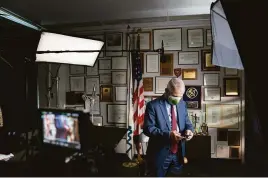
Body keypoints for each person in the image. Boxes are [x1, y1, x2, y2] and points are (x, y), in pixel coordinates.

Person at [143, 78, 194, 177]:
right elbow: (148, 128)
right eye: (175, 96)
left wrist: (189, 131)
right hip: (160, 154)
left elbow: (188, 123)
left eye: (180, 96)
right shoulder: (153, 106)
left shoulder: (182, 104)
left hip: (178, 153)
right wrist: (168, 134)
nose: (177, 99)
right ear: (167, 91)